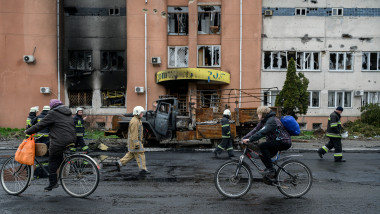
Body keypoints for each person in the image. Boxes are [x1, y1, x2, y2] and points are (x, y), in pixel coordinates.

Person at [25, 99, 76, 191]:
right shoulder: (68, 113)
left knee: (52, 159)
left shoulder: (53, 113)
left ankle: (53, 183)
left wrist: (28, 131)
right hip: (71, 139)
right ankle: (57, 169)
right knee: (55, 153)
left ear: (52, 107)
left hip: (60, 140)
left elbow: (40, 125)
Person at [242, 106, 291, 176]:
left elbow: (262, 132)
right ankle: (271, 175)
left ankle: (271, 170)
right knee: (262, 154)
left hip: (284, 142)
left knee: (263, 146)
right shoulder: (264, 121)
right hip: (276, 141)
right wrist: (244, 138)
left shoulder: (271, 121)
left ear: (263, 114)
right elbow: (255, 130)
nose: (257, 115)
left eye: (258, 114)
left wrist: (250, 139)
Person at [116, 106, 150, 175]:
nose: (142, 114)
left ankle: (119, 163)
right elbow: (134, 134)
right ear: (137, 113)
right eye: (141, 113)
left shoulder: (137, 120)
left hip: (134, 142)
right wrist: (136, 143)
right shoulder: (135, 122)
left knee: (131, 155)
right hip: (135, 142)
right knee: (141, 154)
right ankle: (142, 169)